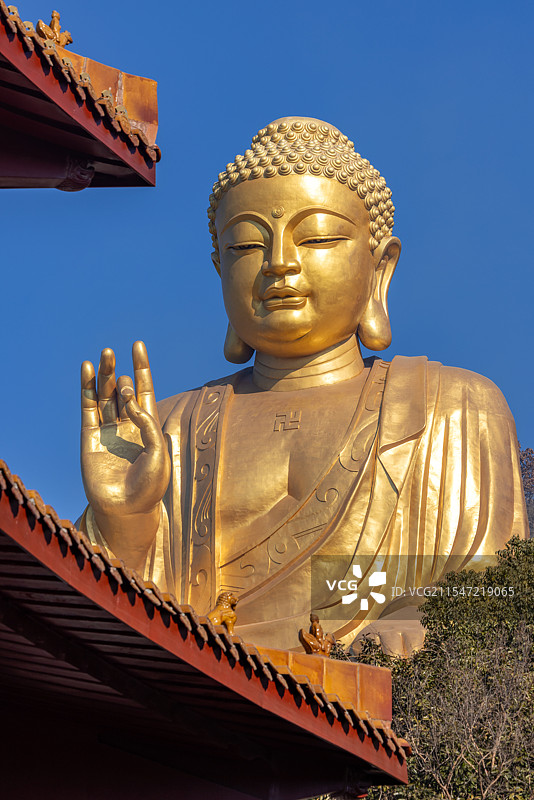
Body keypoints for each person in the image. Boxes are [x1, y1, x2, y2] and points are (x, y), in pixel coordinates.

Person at [79, 117, 528, 653]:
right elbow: (93, 624)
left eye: (316, 237)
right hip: (196, 697)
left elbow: (488, 602)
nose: (279, 265)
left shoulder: (451, 408)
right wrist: (123, 523)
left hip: (367, 713)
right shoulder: (168, 430)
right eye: (246, 246)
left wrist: (380, 634)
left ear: (380, 266)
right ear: (218, 268)